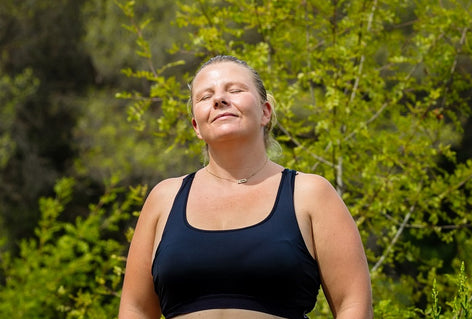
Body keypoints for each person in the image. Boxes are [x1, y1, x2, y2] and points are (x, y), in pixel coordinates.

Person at [118, 55, 373, 319]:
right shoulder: (164, 198)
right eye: (205, 97)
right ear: (196, 126)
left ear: (265, 112)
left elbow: (353, 304)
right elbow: (135, 309)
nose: (219, 99)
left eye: (235, 90)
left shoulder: (310, 194)